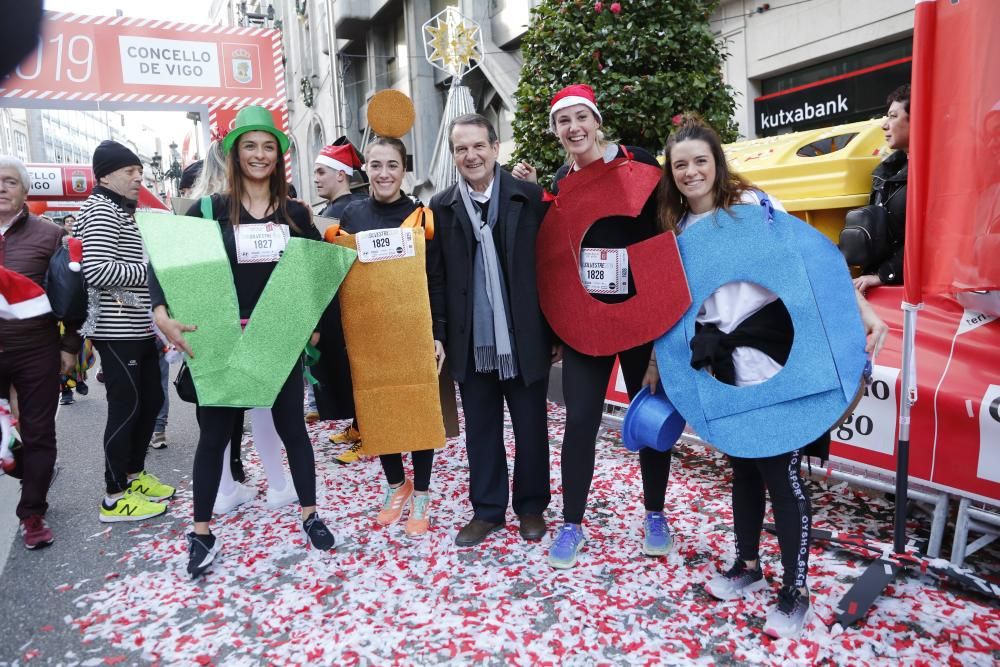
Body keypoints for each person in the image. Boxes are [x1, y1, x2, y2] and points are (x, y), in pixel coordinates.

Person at [649, 114, 888, 639]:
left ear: (718, 164)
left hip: (775, 359)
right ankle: (750, 566)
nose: (691, 173)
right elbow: (669, 310)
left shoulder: (756, 210)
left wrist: (860, 310)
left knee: (780, 470)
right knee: (743, 466)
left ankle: (795, 589)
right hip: (721, 366)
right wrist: (657, 362)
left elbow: (815, 265)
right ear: (671, 173)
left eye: (700, 162)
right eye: (681, 165)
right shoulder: (678, 232)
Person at [152, 106, 335, 578]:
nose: (259, 154)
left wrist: (312, 324)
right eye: (250, 146)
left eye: (268, 146)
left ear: (278, 156)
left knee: (293, 428)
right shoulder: (209, 210)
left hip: (278, 335)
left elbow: (318, 274)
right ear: (234, 154)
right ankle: (201, 531)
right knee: (214, 436)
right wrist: (162, 315)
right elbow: (167, 268)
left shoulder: (295, 213)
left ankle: (310, 515)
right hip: (222, 338)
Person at [513, 84, 674, 568]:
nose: (573, 128)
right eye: (563, 121)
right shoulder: (562, 182)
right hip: (588, 318)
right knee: (580, 419)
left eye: (581, 117)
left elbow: (663, 236)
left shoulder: (636, 160)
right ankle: (573, 522)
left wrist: (660, 331)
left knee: (649, 415)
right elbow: (558, 257)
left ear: (596, 120)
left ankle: (655, 513)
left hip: (641, 313)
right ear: (555, 131)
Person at [427, 114, 554, 547]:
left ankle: (532, 506)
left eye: (478, 146)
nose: (471, 155)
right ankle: (487, 510)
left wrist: (553, 332)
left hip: (523, 335)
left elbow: (549, 268)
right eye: (461, 149)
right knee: (481, 429)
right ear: (454, 155)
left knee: (531, 426)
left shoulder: (529, 197)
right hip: (471, 339)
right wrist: (439, 331)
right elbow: (438, 279)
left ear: (495, 148)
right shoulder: (441, 207)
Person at [335, 136, 439, 537]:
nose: (383, 173)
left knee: (418, 409)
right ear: (365, 170)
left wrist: (439, 334)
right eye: (376, 165)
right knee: (377, 408)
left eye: (392, 165)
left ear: (403, 169)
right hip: (369, 331)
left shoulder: (421, 215)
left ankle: (423, 493)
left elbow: (438, 278)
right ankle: (398, 486)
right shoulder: (352, 216)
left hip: (414, 328)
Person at [76, 140, 175, 523]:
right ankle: (114, 497)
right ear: (105, 175)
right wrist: (154, 278)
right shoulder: (101, 209)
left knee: (149, 402)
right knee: (127, 408)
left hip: (136, 326)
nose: (138, 178)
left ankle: (134, 476)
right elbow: (98, 270)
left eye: (140, 171)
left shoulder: (120, 210)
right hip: (115, 330)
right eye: (130, 171)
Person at [0, 156, 80, 549]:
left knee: (38, 432)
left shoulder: (49, 236)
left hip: (35, 349)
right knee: (15, 445)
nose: (2, 187)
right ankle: (25, 468)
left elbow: (72, 294)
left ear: (25, 190)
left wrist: (70, 347)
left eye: (10, 181)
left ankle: (32, 512)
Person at [311, 142, 365, 455]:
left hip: (350, 309)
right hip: (337, 310)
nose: (316, 178)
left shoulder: (348, 212)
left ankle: (368, 431)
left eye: (321, 171)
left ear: (342, 175)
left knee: (356, 374)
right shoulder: (331, 211)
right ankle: (360, 426)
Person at [855, 84, 909, 293]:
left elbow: (934, 238)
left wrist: (884, 274)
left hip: (909, 291)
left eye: (893, 116)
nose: (884, 125)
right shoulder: (885, 173)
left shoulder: (936, 174)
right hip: (881, 285)